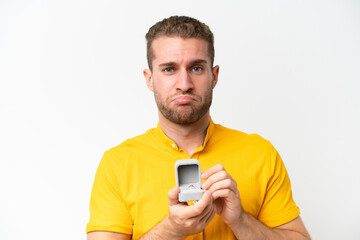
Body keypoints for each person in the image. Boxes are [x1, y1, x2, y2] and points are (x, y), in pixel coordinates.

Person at [86, 16, 311, 240]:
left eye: (196, 68)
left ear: (213, 76)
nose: (184, 84)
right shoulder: (117, 165)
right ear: (149, 79)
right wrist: (171, 229)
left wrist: (240, 220)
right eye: (169, 69)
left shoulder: (261, 154)